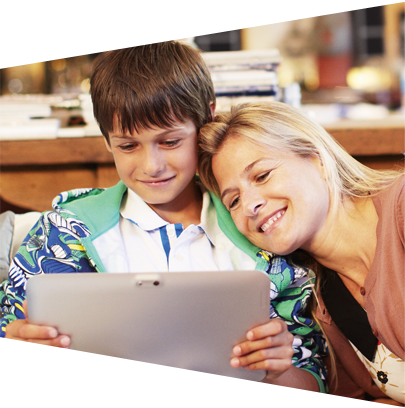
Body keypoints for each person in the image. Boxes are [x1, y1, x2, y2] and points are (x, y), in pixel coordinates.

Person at [0, 32, 326, 401]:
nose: (151, 166)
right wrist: (14, 357)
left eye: (170, 142)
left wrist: (276, 368)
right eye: (127, 146)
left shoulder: (261, 231)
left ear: (206, 117)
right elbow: (14, 378)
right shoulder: (60, 236)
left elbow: (310, 396)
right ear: (107, 140)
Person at [197, 100, 405, 406]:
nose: (251, 205)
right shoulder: (313, 300)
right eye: (234, 200)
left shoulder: (400, 209)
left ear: (316, 158)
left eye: (262, 175)